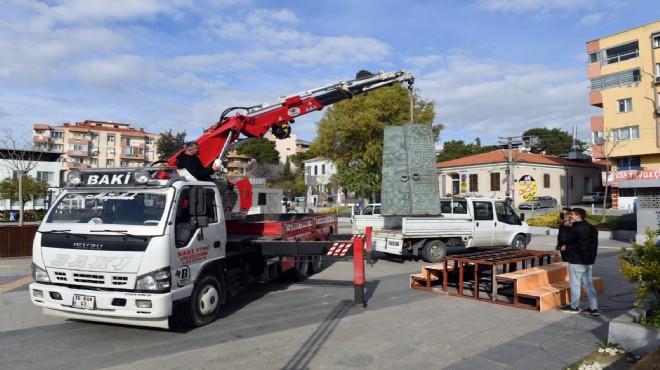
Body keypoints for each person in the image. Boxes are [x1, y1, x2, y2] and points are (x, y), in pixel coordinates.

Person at [557, 207, 600, 315]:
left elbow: (564, 240)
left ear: (578, 215)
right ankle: (593, 308)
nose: (569, 216)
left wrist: (565, 228)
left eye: (571, 214)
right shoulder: (592, 228)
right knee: (588, 284)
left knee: (575, 284)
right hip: (588, 260)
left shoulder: (574, 228)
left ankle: (574, 306)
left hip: (577, 260)